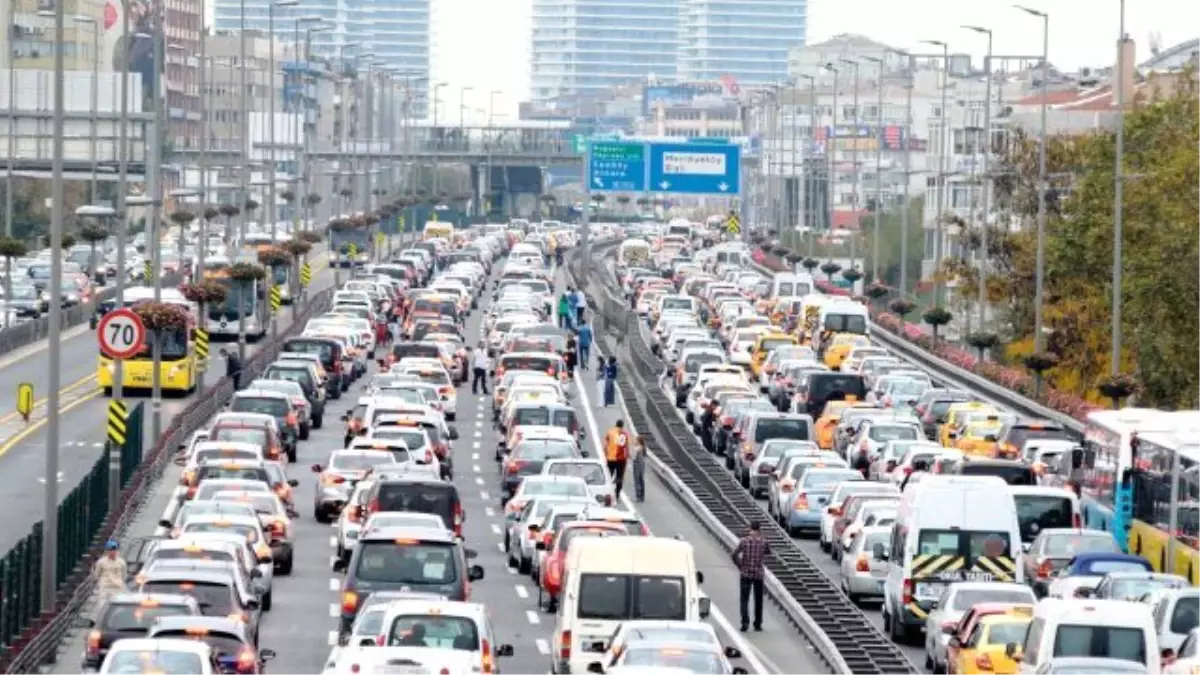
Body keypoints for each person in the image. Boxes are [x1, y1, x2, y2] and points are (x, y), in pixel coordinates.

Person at [732, 521, 770, 632]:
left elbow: (734, 554)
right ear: (759, 529)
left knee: (744, 599)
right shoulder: (764, 541)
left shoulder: (744, 541)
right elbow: (768, 552)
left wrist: (740, 566)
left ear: (750, 528)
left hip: (745, 573)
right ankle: (757, 624)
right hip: (758, 574)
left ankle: (745, 622)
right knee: (758, 600)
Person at [604, 420, 631, 500]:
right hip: (621, 459)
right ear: (622, 426)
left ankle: (607, 492)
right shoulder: (625, 435)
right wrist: (627, 456)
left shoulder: (610, 432)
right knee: (619, 477)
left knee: (609, 476)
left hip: (611, 458)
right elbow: (627, 447)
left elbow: (605, 446)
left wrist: (606, 455)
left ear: (615, 425)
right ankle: (617, 494)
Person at [630, 435, 647, 502]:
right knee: (641, 480)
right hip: (642, 465)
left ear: (639, 441)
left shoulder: (638, 448)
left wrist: (634, 446)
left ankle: (638, 496)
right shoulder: (643, 447)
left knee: (637, 481)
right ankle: (642, 496)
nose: (635, 441)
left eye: (636, 440)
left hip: (637, 465)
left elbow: (633, 456)